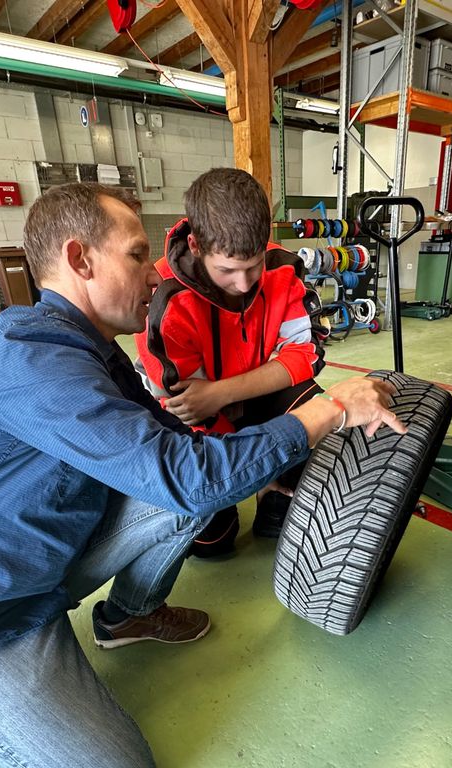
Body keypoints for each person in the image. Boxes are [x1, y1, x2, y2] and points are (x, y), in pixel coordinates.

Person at [0, 182, 405, 768]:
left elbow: (183, 453)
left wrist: (280, 450)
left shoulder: (92, 353)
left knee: (179, 499)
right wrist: (327, 411)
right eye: (136, 255)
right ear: (80, 259)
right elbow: (186, 476)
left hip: (36, 568)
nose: (154, 275)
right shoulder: (30, 356)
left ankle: (127, 618)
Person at [134, 168, 326, 556]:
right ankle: (250, 492)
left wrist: (221, 392)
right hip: (192, 421)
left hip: (239, 396)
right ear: (196, 244)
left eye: (253, 266)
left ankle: (276, 492)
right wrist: (253, 467)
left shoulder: (285, 268)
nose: (243, 285)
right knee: (213, 542)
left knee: (314, 407)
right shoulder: (163, 301)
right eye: (227, 271)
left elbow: (307, 355)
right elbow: (190, 408)